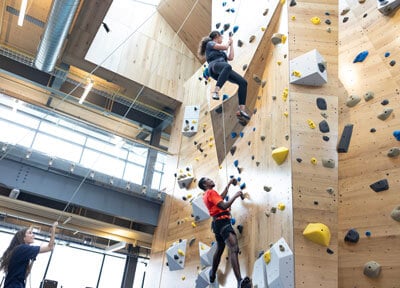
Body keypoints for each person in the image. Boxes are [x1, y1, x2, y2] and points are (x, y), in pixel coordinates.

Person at [199, 177, 251, 288]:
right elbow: (223, 205)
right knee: (233, 248)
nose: (211, 179)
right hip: (223, 222)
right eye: (208, 179)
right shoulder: (210, 192)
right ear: (205, 184)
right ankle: (239, 282)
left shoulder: (207, 194)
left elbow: (220, 198)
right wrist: (236, 196)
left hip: (217, 224)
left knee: (220, 249)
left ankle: (212, 273)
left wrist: (229, 184)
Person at [198, 31, 251, 121]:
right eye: (221, 37)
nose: (222, 39)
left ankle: (241, 110)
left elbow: (231, 57)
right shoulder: (210, 43)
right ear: (217, 36)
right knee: (227, 66)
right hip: (214, 66)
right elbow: (225, 46)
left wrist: (232, 44)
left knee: (243, 82)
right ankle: (216, 91)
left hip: (223, 70)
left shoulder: (221, 53)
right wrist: (228, 43)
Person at [0, 221, 58, 288]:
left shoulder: (20, 251)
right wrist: (53, 230)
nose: (33, 235)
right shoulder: (22, 248)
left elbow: (26, 274)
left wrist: (32, 259)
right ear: (23, 237)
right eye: (30, 233)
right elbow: (50, 247)